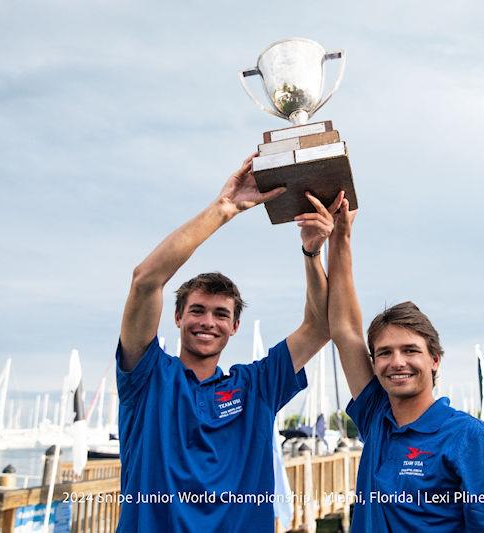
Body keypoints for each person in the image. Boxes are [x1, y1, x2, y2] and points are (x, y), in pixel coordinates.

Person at [116, 152, 342, 532]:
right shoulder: (148, 377)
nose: (208, 322)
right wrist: (224, 208)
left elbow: (320, 326)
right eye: (198, 310)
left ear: (235, 326)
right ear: (177, 317)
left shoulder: (255, 386)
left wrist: (312, 251)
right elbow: (145, 280)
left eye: (221, 314)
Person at [315, 200, 484, 532]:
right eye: (384, 353)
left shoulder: (470, 438)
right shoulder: (375, 417)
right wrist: (340, 238)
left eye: (410, 350)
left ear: (434, 359)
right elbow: (345, 330)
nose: (397, 362)